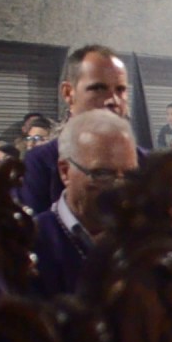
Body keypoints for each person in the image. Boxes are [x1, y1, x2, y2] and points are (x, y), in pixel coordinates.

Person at [32, 110, 138, 298]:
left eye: (129, 175)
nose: (119, 187)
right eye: (103, 174)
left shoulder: (145, 240)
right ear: (65, 171)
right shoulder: (30, 243)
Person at [21, 45, 135, 214]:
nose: (113, 100)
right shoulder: (40, 164)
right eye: (98, 88)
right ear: (68, 93)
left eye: (120, 90)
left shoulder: (146, 163)